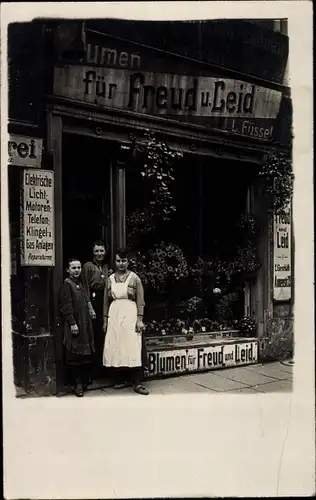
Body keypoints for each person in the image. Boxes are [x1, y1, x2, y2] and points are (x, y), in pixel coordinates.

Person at [102, 248, 149, 395]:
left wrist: (140, 319)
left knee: (132, 345)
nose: (121, 264)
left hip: (130, 313)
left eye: (124, 261)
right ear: (115, 262)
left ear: (128, 262)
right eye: (118, 261)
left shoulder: (135, 278)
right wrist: (105, 320)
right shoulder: (110, 279)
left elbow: (140, 301)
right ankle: (121, 379)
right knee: (117, 345)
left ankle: (137, 382)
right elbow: (105, 302)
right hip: (115, 313)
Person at [60, 258, 95, 397]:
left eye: (79, 267)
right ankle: (77, 384)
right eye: (73, 268)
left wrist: (90, 309)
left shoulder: (80, 283)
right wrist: (72, 323)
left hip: (84, 323)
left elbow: (86, 299)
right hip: (75, 324)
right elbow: (66, 307)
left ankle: (84, 381)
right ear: (68, 270)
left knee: (84, 355)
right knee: (74, 355)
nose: (77, 270)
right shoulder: (67, 285)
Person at [82, 240, 110, 377]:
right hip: (92, 303)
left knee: (102, 336)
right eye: (97, 251)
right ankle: (91, 372)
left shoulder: (106, 267)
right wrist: (89, 306)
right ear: (93, 252)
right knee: (92, 336)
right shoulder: (87, 266)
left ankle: (102, 368)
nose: (99, 253)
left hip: (104, 303)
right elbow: (85, 287)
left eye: (101, 251)